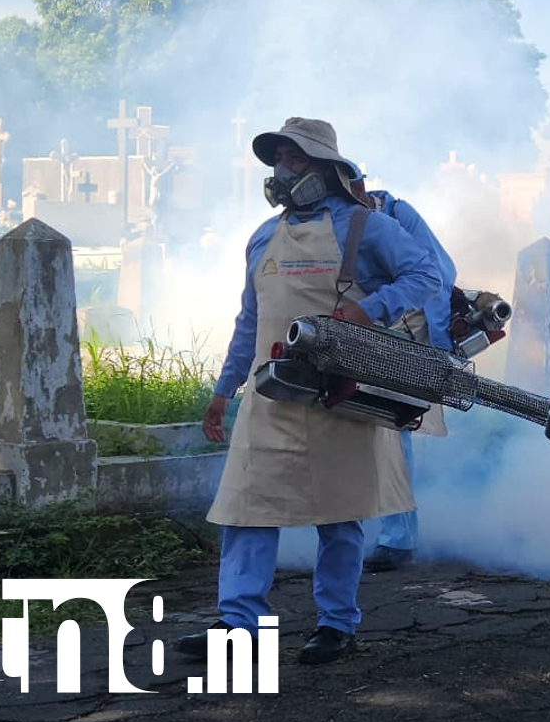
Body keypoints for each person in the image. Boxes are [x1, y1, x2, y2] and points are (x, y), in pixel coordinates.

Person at [175, 117, 441, 665]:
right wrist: (224, 390)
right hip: (269, 392)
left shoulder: (365, 226)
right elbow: (250, 321)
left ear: (325, 168)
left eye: (293, 158)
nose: (282, 169)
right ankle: (239, 623)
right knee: (247, 508)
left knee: (339, 514)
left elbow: (426, 275)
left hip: (339, 393)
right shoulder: (262, 237)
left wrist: (370, 309)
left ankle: (336, 624)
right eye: (278, 159)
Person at [346, 180, 458, 574]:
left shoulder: (395, 213)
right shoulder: (334, 220)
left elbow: (437, 275)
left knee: (392, 428)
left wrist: (440, 347)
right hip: (360, 328)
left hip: (405, 329)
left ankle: (399, 539)